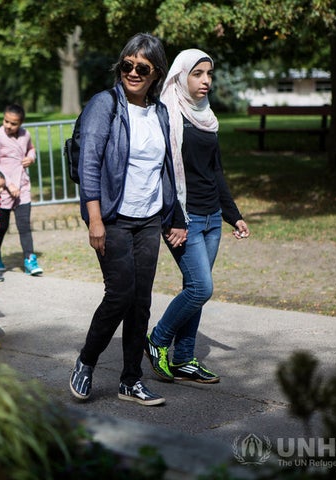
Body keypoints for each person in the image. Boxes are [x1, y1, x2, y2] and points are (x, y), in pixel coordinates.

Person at [68, 33, 180, 406]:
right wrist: (95, 220)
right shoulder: (105, 104)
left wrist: (171, 214)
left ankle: (130, 380)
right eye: (127, 65)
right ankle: (86, 362)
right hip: (113, 216)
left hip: (147, 218)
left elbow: (165, 169)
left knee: (141, 300)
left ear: (156, 73)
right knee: (120, 293)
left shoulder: (160, 112)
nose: (133, 72)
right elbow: (89, 164)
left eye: (142, 68)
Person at [144, 49, 250, 384]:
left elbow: (215, 171)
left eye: (209, 74)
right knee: (201, 288)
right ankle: (157, 339)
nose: (205, 81)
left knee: (195, 288)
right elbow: (159, 172)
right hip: (183, 218)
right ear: (180, 76)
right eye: (198, 74)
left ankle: (185, 359)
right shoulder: (165, 114)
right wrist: (173, 219)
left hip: (212, 217)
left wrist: (234, 215)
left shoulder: (206, 115)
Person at [0, 104, 43, 275]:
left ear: (21, 123)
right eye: (6, 121)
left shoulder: (26, 135)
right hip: (3, 190)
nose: (9, 126)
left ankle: (29, 259)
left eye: (13, 123)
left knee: (24, 226)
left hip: (23, 188)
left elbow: (31, 149)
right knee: (0, 228)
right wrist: (8, 184)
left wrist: (31, 157)